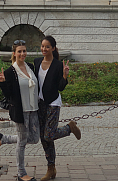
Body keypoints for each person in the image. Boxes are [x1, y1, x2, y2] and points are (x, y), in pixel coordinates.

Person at [34, 36, 81, 180]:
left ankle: (69, 128)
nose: (44, 49)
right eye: (42, 46)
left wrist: (65, 76)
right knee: (44, 138)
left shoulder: (58, 64)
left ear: (53, 48)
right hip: (39, 103)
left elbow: (60, 87)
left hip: (53, 102)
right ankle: (51, 169)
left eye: (47, 46)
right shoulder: (36, 62)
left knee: (48, 135)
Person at [0, 40, 40, 181]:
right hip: (21, 111)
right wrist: (2, 82)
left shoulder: (31, 67)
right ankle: (21, 173)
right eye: (19, 51)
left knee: (34, 138)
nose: (22, 54)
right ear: (14, 53)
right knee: (22, 142)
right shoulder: (10, 72)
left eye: (24, 51)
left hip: (34, 109)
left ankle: (5, 138)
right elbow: (8, 95)